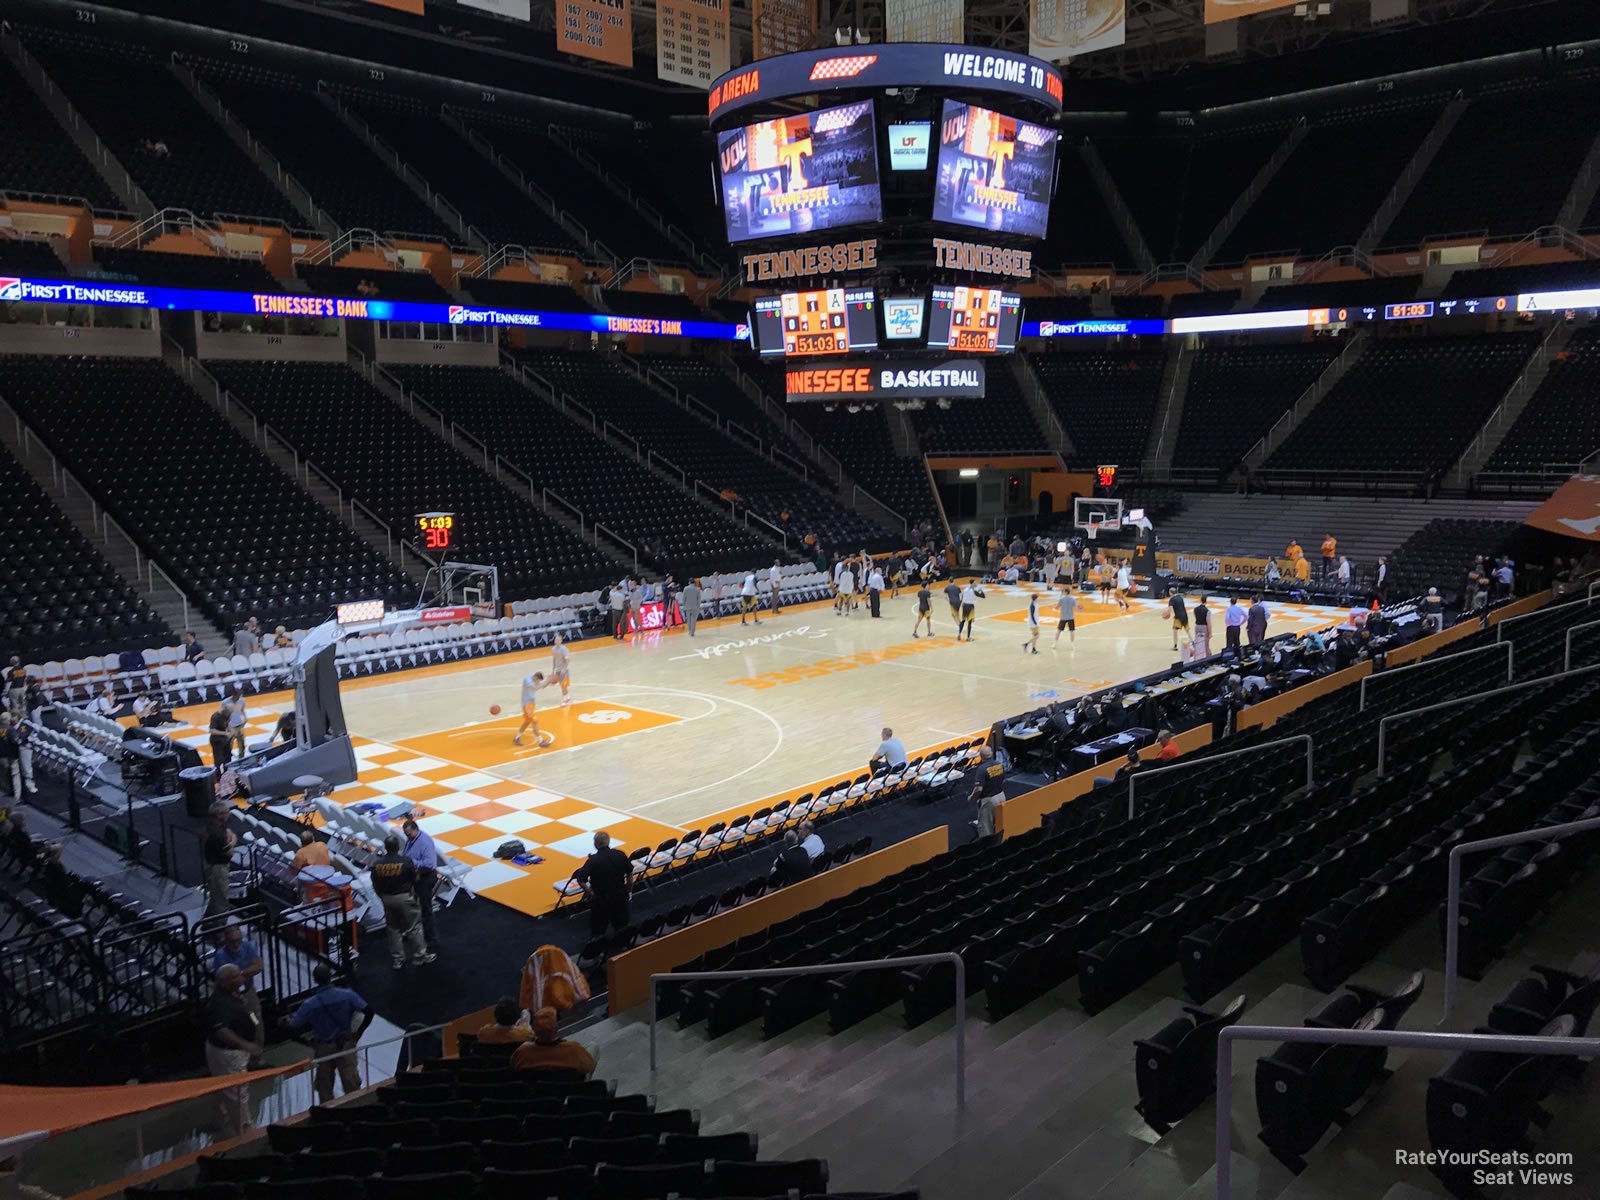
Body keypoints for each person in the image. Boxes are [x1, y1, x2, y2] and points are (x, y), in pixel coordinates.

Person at [285, 964, 371, 1104]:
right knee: (352, 1085)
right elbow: (369, 1012)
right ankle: (356, 1111)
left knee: (324, 1089)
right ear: (330, 977)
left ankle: (328, 1119)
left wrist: (307, 1043)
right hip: (345, 1045)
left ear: (315, 979)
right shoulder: (347, 995)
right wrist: (359, 1032)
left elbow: (291, 1027)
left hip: (322, 1048)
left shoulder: (309, 1004)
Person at [205, 964, 262, 1139]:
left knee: (229, 1091)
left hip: (231, 1052)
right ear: (225, 981)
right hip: (229, 1054)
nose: (242, 977)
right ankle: (244, 1131)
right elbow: (222, 1031)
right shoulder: (219, 1002)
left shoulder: (231, 995)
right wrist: (245, 1045)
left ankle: (227, 1122)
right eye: (237, 976)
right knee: (238, 1093)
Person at [372, 834, 433, 968]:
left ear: (386, 847)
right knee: (414, 927)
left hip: (387, 899)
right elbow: (415, 878)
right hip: (405, 897)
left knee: (393, 929)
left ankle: (398, 959)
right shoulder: (406, 861)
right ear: (398, 846)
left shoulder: (377, 864)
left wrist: (382, 896)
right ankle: (420, 956)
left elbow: (375, 884)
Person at [214, 924, 264, 1051]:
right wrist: (246, 972)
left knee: (256, 1021)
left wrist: (240, 974)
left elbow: (258, 966)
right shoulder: (221, 956)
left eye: (238, 940)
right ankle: (244, 1054)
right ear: (225, 941)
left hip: (248, 993)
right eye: (232, 941)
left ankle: (257, 1053)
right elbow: (225, 981)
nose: (236, 944)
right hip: (232, 998)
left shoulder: (246, 945)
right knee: (237, 1027)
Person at [572, 830, 631, 937]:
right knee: (622, 927)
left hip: (601, 900)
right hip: (620, 896)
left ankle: (598, 951)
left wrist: (590, 893)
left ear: (596, 844)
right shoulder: (620, 855)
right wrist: (629, 890)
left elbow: (580, 879)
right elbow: (630, 873)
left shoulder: (593, 860)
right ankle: (623, 946)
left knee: (598, 930)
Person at [510, 1006, 597, 1076]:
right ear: (556, 1028)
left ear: (534, 1030)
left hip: (538, 1092)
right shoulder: (573, 1048)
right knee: (593, 1046)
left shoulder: (523, 1052)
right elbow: (589, 1066)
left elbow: (514, 1067)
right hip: (570, 1089)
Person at [401, 818, 440, 952]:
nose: (407, 836)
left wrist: (411, 863)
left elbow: (429, 864)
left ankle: (432, 939)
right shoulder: (411, 840)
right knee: (415, 907)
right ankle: (416, 933)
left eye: (409, 834)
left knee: (426, 909)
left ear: (416, 829)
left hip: (425, 878)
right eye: (406, 834)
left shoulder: (425, 842)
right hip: (415, 877)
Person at [203, 803, 236, 917]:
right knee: (221, 901)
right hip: (218, 868)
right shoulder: (217, 834)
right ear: (219, 815)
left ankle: (208, 925)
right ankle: (219, 929)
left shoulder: (214, 826)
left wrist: (230, 840)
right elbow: (230, 852)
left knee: (215, 899)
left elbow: (230, 833)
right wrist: (232, 842)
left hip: (214, 864)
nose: (229, 814)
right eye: (227, 812)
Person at [969, 746, 1006, 837]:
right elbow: (1003, 780)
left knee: (986, 828)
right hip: (1001, 796)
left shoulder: (982, 769)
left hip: (989, 800)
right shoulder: (999, 764)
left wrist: (972, 797)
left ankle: (988, 847)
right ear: (991, 754)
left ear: (981, 756)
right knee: (1000, 822)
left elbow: (979, 789)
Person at [0, 714, 35, 798]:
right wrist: (26, 738)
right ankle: (17, 796)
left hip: (1, 756)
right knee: (15, 775)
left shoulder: (1, 728)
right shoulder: (10, 729)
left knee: (5, 775)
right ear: (8, 720)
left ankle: (8, 791)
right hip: (11, 756)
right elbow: (17, 741)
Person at [514, 672, 551, 749]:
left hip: (531, 705)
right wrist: (547, 681)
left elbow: (541, 686)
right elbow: (535, 687)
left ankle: (516, 738)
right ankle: (541, 741)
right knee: (535, 721)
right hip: (527, 705)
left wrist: (549, 681)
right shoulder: (527, 679)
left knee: (527, 722)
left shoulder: (535, 681)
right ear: (535, 677)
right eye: (538, 681)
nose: (537, 682)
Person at [208, 702, 233, 773]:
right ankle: (218, 775)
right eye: (229, 713)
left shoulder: (227, 715)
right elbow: (211, 730)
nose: (230, 714)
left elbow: (228, 723)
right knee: (218, 760)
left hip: (225, 740)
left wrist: (230, 731)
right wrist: (225, 733)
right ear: (225, 711)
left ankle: (227, 773)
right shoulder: (215, 717)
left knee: (228, 757)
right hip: (217, 740)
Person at [548, 633, 572, 708]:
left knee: (563, 685)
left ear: (561, 641)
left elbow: (567, 659)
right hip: (557, 669)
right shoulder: (553, 649)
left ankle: (565, 700)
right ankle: (567, 697)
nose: (556, 641)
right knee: (562, 685)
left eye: (558, 640)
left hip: (563, 669)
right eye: (555, 640)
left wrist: (564, 669)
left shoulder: (564, 649)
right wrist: (553, 670)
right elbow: (554, 659)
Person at [227, 693, 249, 759]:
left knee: (241, 745)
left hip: (239, 727)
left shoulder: (240, 704)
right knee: (229, 745)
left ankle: (241, 757)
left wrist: (244, 720)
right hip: (231, 728)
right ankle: (228, 759)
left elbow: (243, 713)